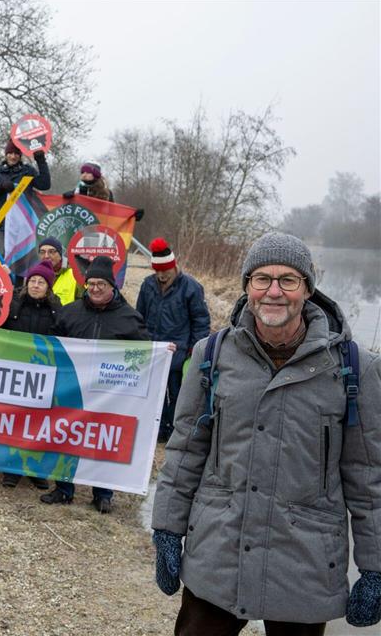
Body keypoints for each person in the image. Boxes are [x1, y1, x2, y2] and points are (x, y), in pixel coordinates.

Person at [151, 232, 381, 634]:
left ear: (308, 289)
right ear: (247, 287)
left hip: (305, 565)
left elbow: (368, 476)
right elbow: (185, 450)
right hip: (218, 553)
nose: (274, 292)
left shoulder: (354, 366)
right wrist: (167, 529)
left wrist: (376, 566)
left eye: (288, 280)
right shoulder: (212, 355)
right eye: (262, 279)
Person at [41, 255, 149, 512]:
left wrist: (162, 352)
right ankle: (64, 489)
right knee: (67, 436)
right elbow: (52, 346)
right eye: (91, 283)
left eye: (101, 283)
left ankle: (103, 494)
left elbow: (145, 354)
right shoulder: (70, 313)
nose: (96, 288)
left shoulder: (130, 318)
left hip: (110, 393)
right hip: (73, 389)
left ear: (113, 286)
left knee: (104, 441)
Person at [136, 237, 211, 442]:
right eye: (157, 271)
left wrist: (194, 350)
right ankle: (157, 429)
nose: (161, 276)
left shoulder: (191, 287)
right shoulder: (147, 285)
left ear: (174, 266)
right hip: (153, 352)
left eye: (165, 271)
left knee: (177, 395)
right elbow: (139, 316)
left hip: (179, 352)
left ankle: (174, 430)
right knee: (153, 394)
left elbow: (201, 321)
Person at [0, 259, 61, 489]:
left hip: (42, 376)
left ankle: (35, 469)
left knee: (37, 422)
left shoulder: (57, 309)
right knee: (14, 420)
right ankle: (11, 469)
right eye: (32, 280)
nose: (35, 285)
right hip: (16, 372)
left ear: (48, 287)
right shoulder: (13, 304)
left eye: (41, 282)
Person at [0, 140, 50, 254]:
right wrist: (0, 186)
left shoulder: (28, 171)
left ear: (20, 155)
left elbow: (45, 185)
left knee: (24, 259)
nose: (13, 157)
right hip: (2, 223)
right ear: (6, 154)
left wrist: (40, 160)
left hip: (24, 224)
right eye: (10, 153)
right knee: (4, 257)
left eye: (16, 154)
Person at [36, 237, 78, 305]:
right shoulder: (33, 276)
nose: (46, 256)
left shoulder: (74, 275)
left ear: (60, 255)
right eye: (42, 252)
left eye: (51, 252)